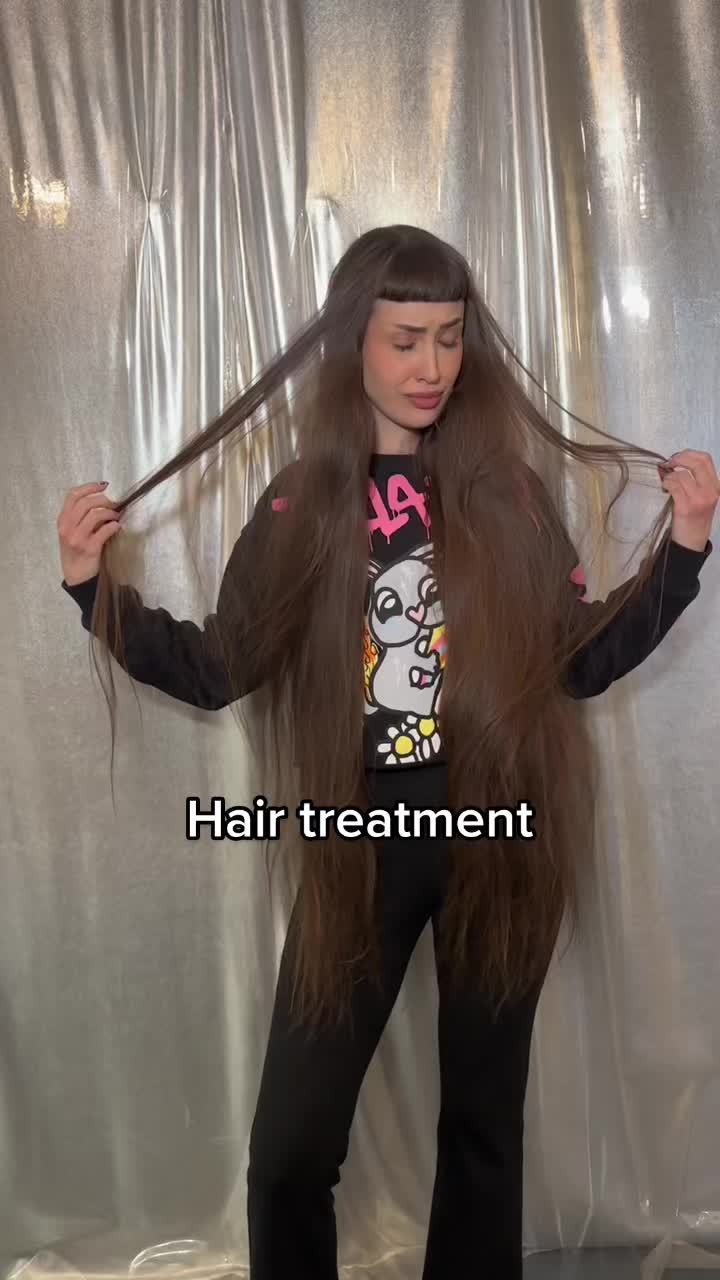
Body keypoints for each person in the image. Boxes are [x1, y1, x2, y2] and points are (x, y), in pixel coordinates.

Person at [57, 226, 717, 1278]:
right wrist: (95, 589)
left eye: (450, 338)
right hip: (357, 834)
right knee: (290, 1150)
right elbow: (219, 665)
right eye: (405, 339)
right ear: (352, 341)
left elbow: (579, 663)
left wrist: (681, 552)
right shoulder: (303, 501)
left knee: (485, 1129)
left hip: (499, 833)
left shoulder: (506, 493)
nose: (431, 366)